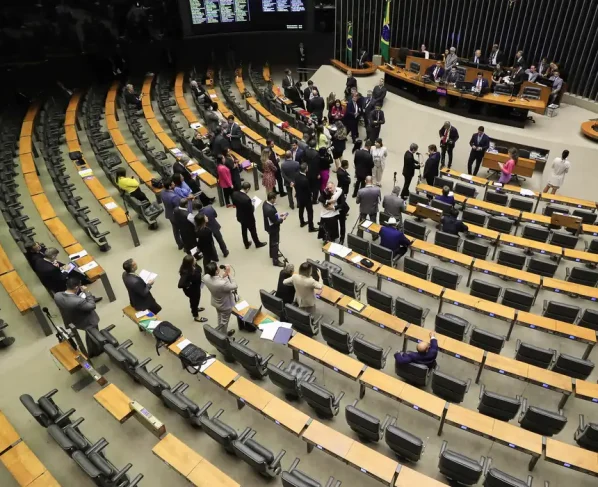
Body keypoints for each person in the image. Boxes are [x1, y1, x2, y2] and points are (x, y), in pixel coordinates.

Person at [54, 275, 103, 357]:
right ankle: (95, 351)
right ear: (77, 287)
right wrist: (87, 292)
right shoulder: (78, 301)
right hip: (86, 320)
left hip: (72, 318)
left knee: (90, 335)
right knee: (93, 335)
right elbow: (91, 306)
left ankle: (93, 350)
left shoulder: (57, 295)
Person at [203, 262, 237, 335]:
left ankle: (219, 330)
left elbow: (215, 280)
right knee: (224, 322)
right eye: (218, 267)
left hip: (216, 302)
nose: (219, 267)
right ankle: (223, 336)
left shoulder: (205, 277)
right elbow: (234, 285)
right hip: (225, 305)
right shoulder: (222, 283)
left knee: (219, 317)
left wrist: (222, 276)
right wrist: (228, 273)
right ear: (216, 271)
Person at [232, 182, 267, 249]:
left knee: (244, 230)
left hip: (240, 216)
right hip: (248, 218)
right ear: (247, 189)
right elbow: (251, 210)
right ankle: (257, 243)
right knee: (253, 231)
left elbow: (234, 204)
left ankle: (246, 244)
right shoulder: (247, 199)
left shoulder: (235, 194)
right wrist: (253, 205)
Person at [178, 255, 207, 323]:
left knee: (195, 300)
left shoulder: (193, 266)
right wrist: (189, 284)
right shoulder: (186, 272)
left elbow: (199, 269)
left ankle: (195, 308)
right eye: (194, 259)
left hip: (196, 287)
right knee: (194, 301)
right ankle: (196, 316)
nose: (195, 259)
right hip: (192, 291)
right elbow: (180, 284)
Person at [263, 192, 288, 267]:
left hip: (268, 226)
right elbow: (276, 221)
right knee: (275, 243)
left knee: (271, 241)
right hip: (273, 228)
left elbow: (272, 217)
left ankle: (272, 254)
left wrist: (278, 215)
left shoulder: (265, 204)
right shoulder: (270, 210)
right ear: (272, 199)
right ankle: (275, 261)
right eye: (275, 198)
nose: (275, 200)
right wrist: (282, 218)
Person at [161, 177, 184, 249]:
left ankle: (179, 244)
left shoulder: (162, 192)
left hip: (169, 214)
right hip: (176, 216)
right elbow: (179, 207)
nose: (174, 184)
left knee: (175, 230)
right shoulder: (174, 197)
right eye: (173, 184)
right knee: (183, 229)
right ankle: (185, 243)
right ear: (170, 186)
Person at [294, 162, 317, 232]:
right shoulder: (305, 180)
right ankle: (311, 227)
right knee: (310, 212)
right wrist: (311, 195)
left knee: (301, 209)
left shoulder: (296, 175)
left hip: (299, 196)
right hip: (306, 198)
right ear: (305, 169)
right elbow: (308, 190)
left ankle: (302, 222)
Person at [304, 139, 321, 203]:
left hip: (307, 171)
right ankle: (314, 200)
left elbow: (303, 161)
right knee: (315, 187)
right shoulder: (317, 154)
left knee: (308, 186)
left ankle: (308, 197)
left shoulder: (305, 151)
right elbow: (318, 165)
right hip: (315, 173)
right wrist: (318, 173)